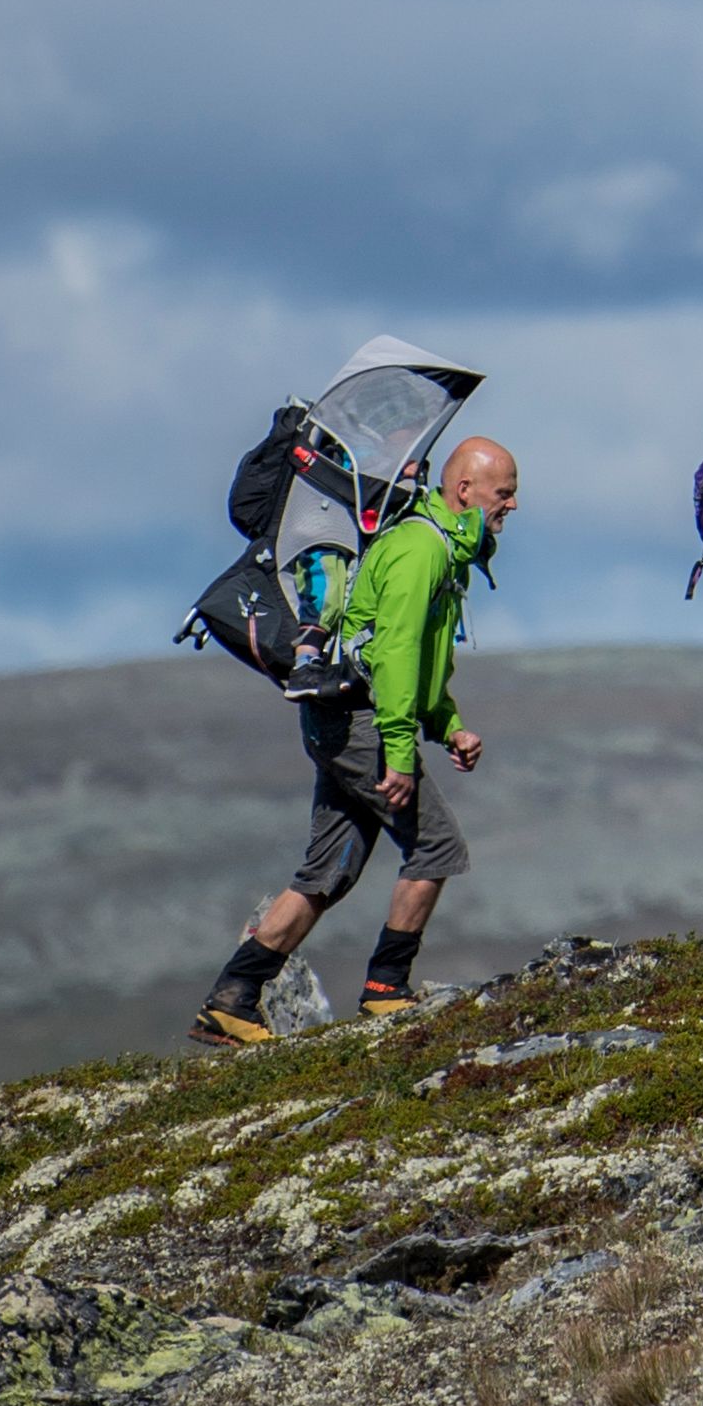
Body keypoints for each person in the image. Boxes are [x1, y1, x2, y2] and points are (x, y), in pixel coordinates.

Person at [189, 433, 517, 1043]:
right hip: (361, 719)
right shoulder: (421, 549)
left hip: (341, 716)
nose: (513, 505)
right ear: (464, 490)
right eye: (506, 492)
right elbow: (393, 657)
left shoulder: (440, 548)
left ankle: (233, 999)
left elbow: (419, 662)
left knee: (329, 869)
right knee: (437, 846)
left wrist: (447, 726)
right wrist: (399, 754)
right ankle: (386, 989)